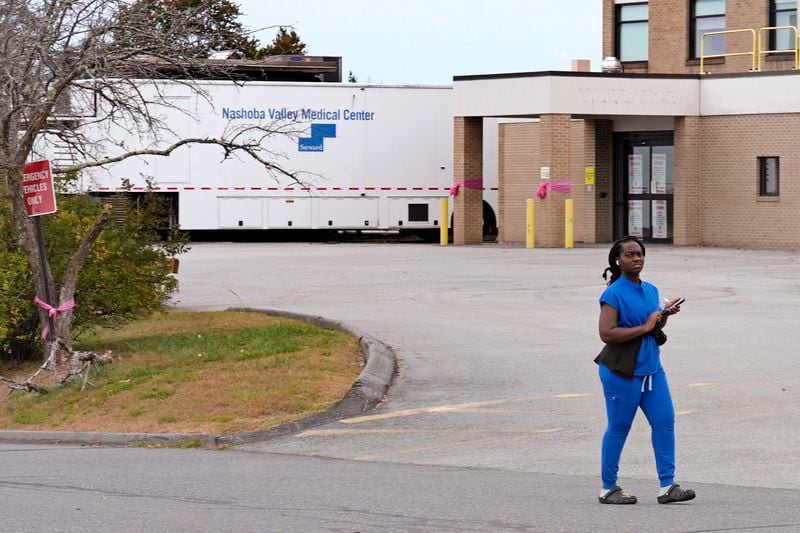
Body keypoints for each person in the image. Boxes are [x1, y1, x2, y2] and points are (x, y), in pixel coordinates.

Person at [595, 235, 696, 505]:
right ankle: (608, 488)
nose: (636, 258)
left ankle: (667, 486)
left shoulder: (650, 289)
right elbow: (607, 333)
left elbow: (653, 326)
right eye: (629, 255)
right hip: (621, 371)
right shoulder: (613, 293)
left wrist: (663, 316)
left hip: (652, 368)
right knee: (619, 427)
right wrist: (646, 325)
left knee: (664, 422)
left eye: (639, 254)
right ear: (618, 260)